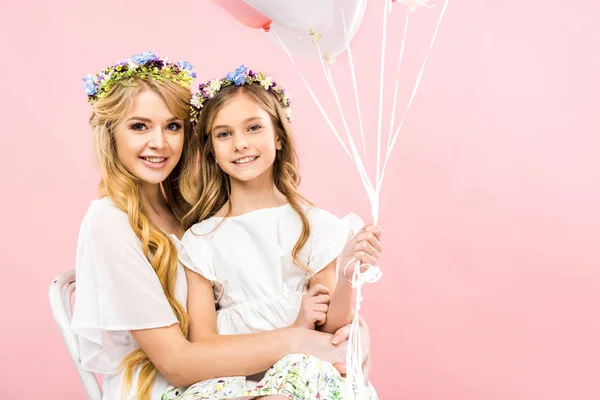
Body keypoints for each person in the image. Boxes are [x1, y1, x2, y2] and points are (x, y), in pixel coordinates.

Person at [70, 54, 373, 400]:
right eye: (139, 126)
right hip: (167, 385)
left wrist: (349, 330)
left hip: (240, 371)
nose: (160, 142)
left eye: (173, 126)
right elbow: (177, 362)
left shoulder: (187, 208)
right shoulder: (109, 222)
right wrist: (299, 340)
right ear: (110, 134)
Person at [171, 64, 382, 399]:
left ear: (279, 137)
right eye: (224, 134)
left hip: (299, 373)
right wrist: (291, 331)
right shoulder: (201, 240)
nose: (240, 144)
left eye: (253, 128)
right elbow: (203, 344)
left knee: (303, 377)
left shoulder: (315, 226)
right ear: (211, 149)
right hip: (233, 376)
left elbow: (328, 330)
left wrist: (346, 276)